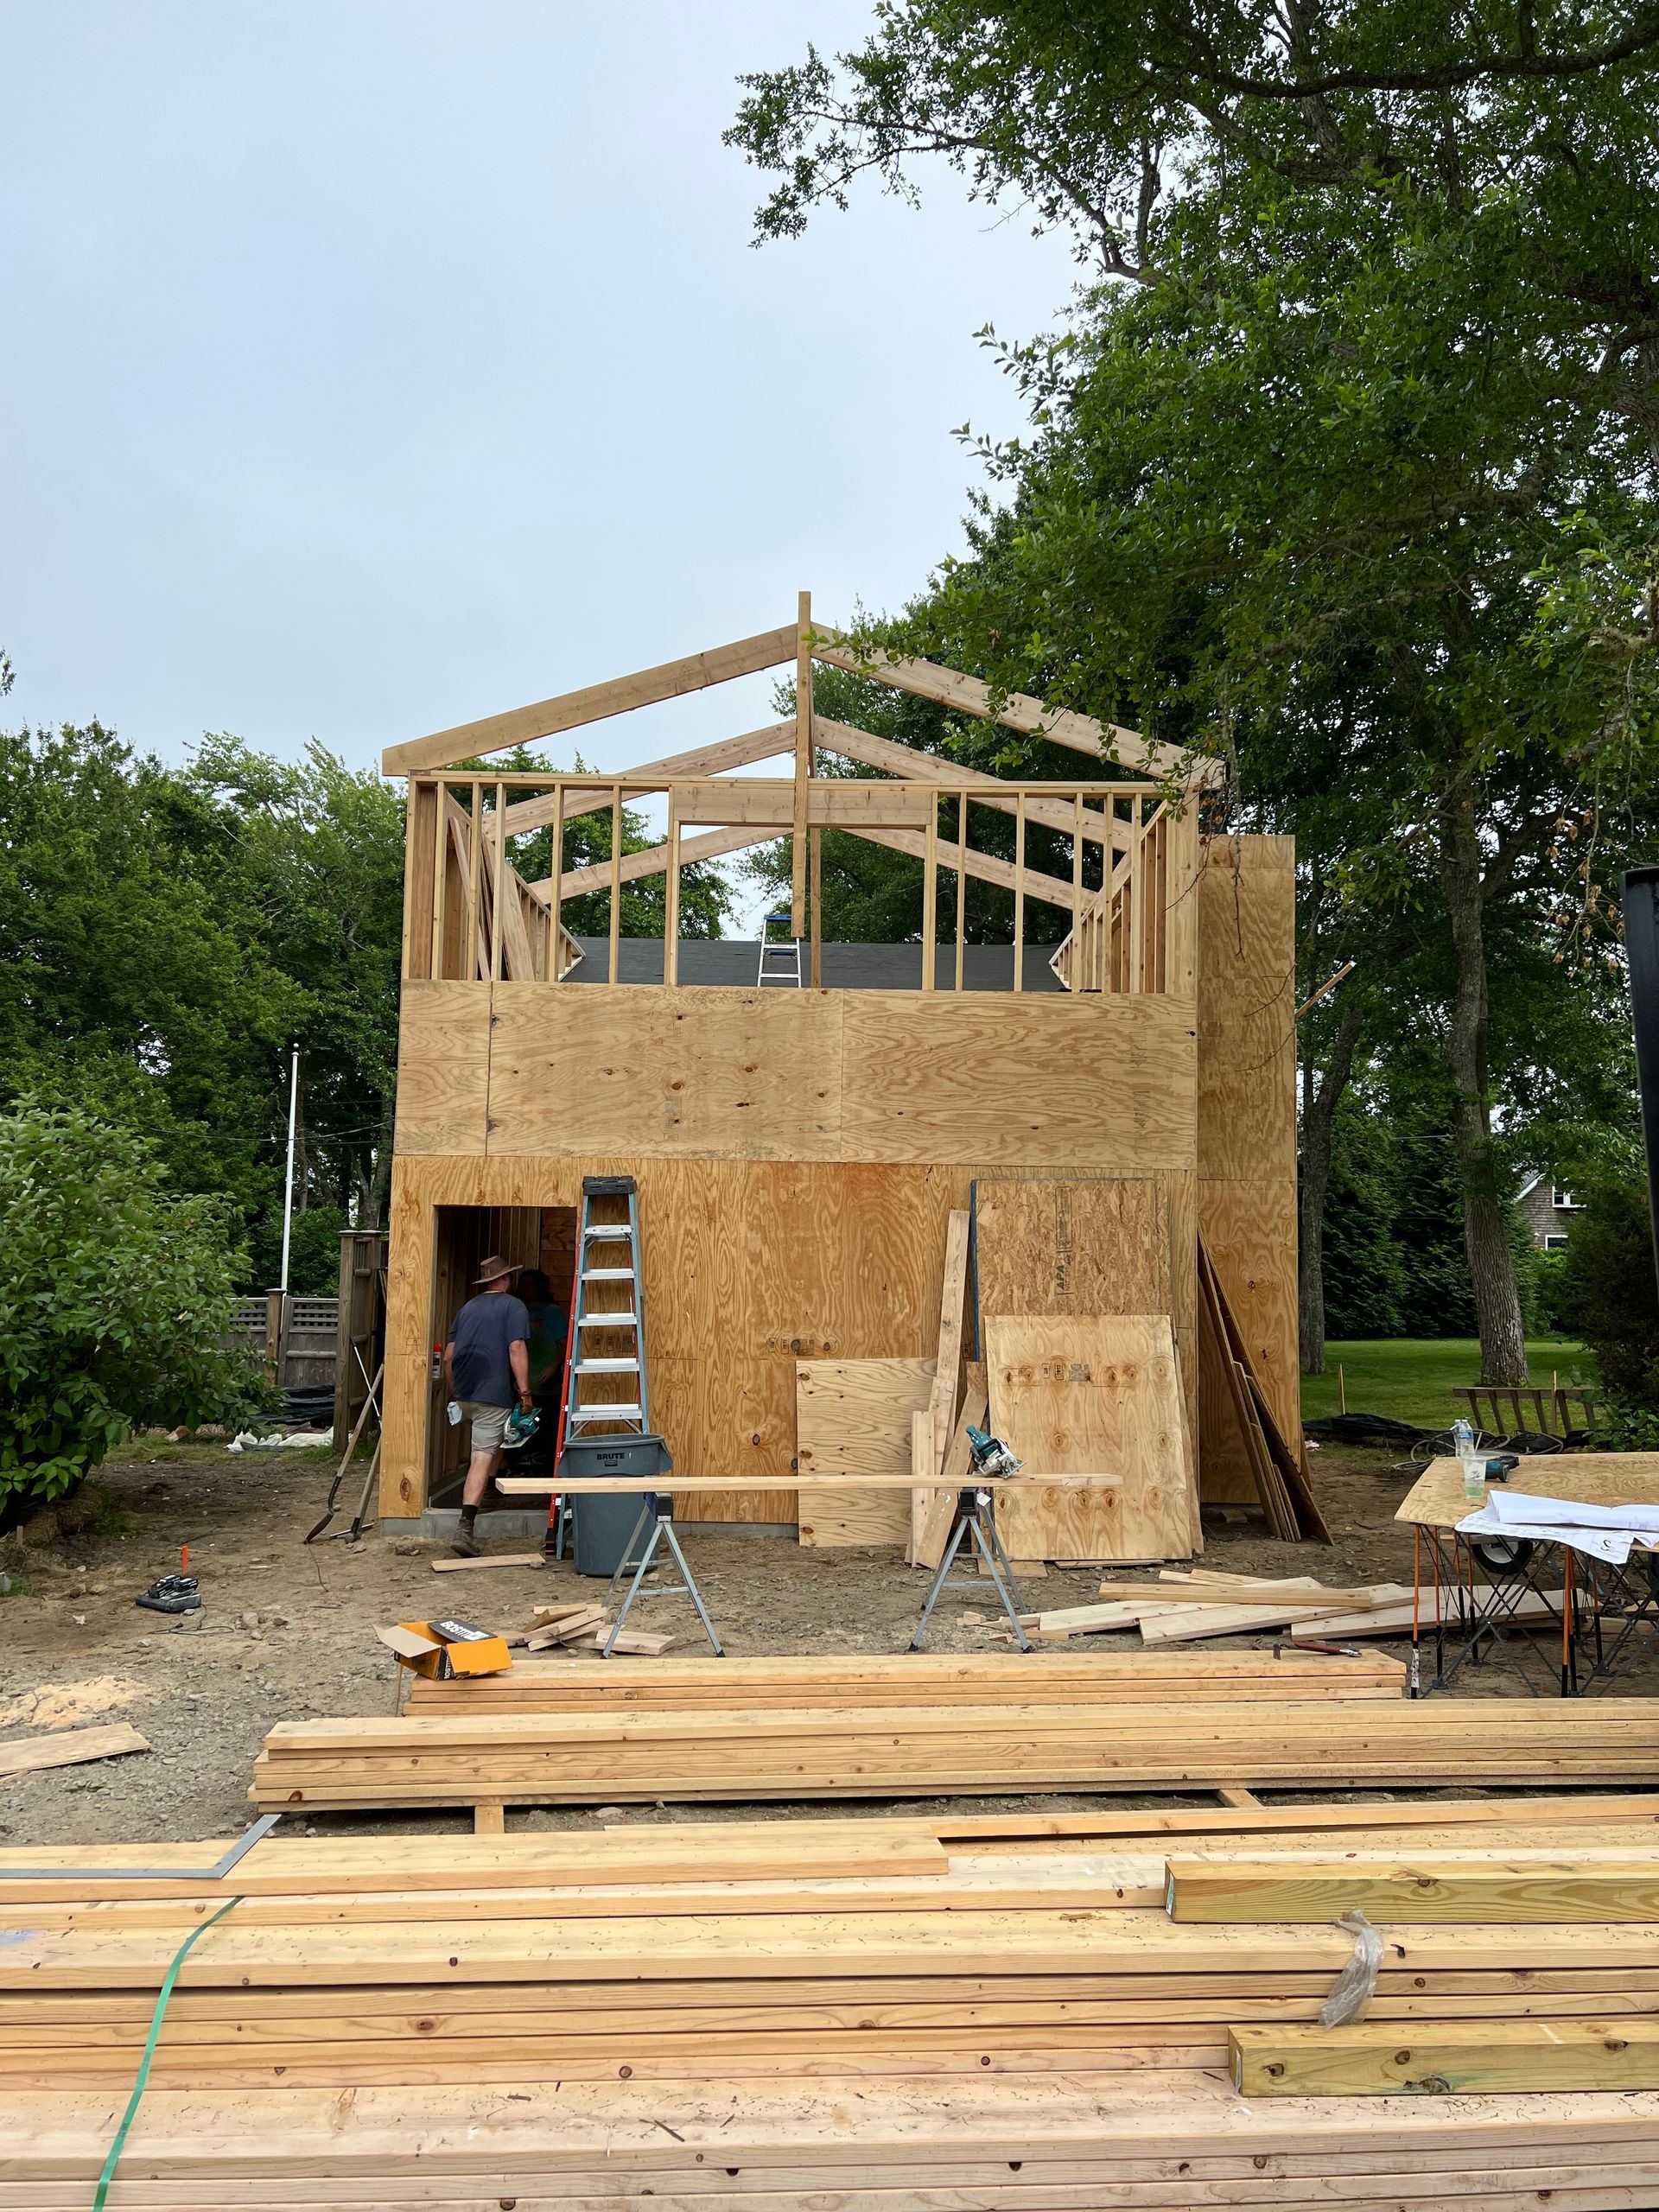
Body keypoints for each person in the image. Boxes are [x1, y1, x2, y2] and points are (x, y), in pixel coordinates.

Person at [442, 1255, 532, 1557]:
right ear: (506, 1279)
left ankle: (491, 1490)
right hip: (492, 1394)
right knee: (481, 1457)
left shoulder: (466, 1309)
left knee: (500, 1437)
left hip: (466, 1393)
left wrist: (456, 1394)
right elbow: (516, 1347)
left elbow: (448, 1359)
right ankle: (464, 1529)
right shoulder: (513, 1306)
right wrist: (525, 1391)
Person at [515, 1268, 569, 1468]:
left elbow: (564, 1344)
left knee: (546, 1427)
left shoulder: (552, 1312)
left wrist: (553, 1367)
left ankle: (543, 1467)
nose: (527, 1289)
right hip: (522, 1383)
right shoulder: (519, 1311)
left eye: (531, 1285)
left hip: (546, 1383)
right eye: (524, 1285)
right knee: (522, 1426)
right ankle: (523, 1466)